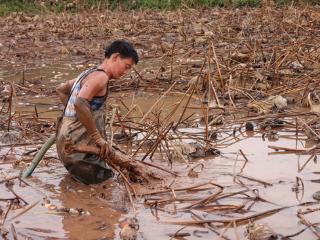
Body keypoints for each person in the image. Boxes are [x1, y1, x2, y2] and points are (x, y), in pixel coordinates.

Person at [56, 40, 139, 184]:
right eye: (126, 67)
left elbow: (62, 89)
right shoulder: (101, 77)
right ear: (115, 57)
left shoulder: (88, 74)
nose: (125, 72)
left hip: (65, 145)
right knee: (105, 184)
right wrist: (97, 137)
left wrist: (72, 118)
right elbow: (80, 103)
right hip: (79, 151)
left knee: (82, 187)